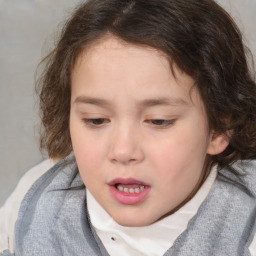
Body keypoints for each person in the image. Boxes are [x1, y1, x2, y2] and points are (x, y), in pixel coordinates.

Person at [1, 0, 256, 255]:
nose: (123, 151)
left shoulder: (246, 229)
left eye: (159, 121)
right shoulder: (35, 201)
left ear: (220, 127)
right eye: (96, 120)